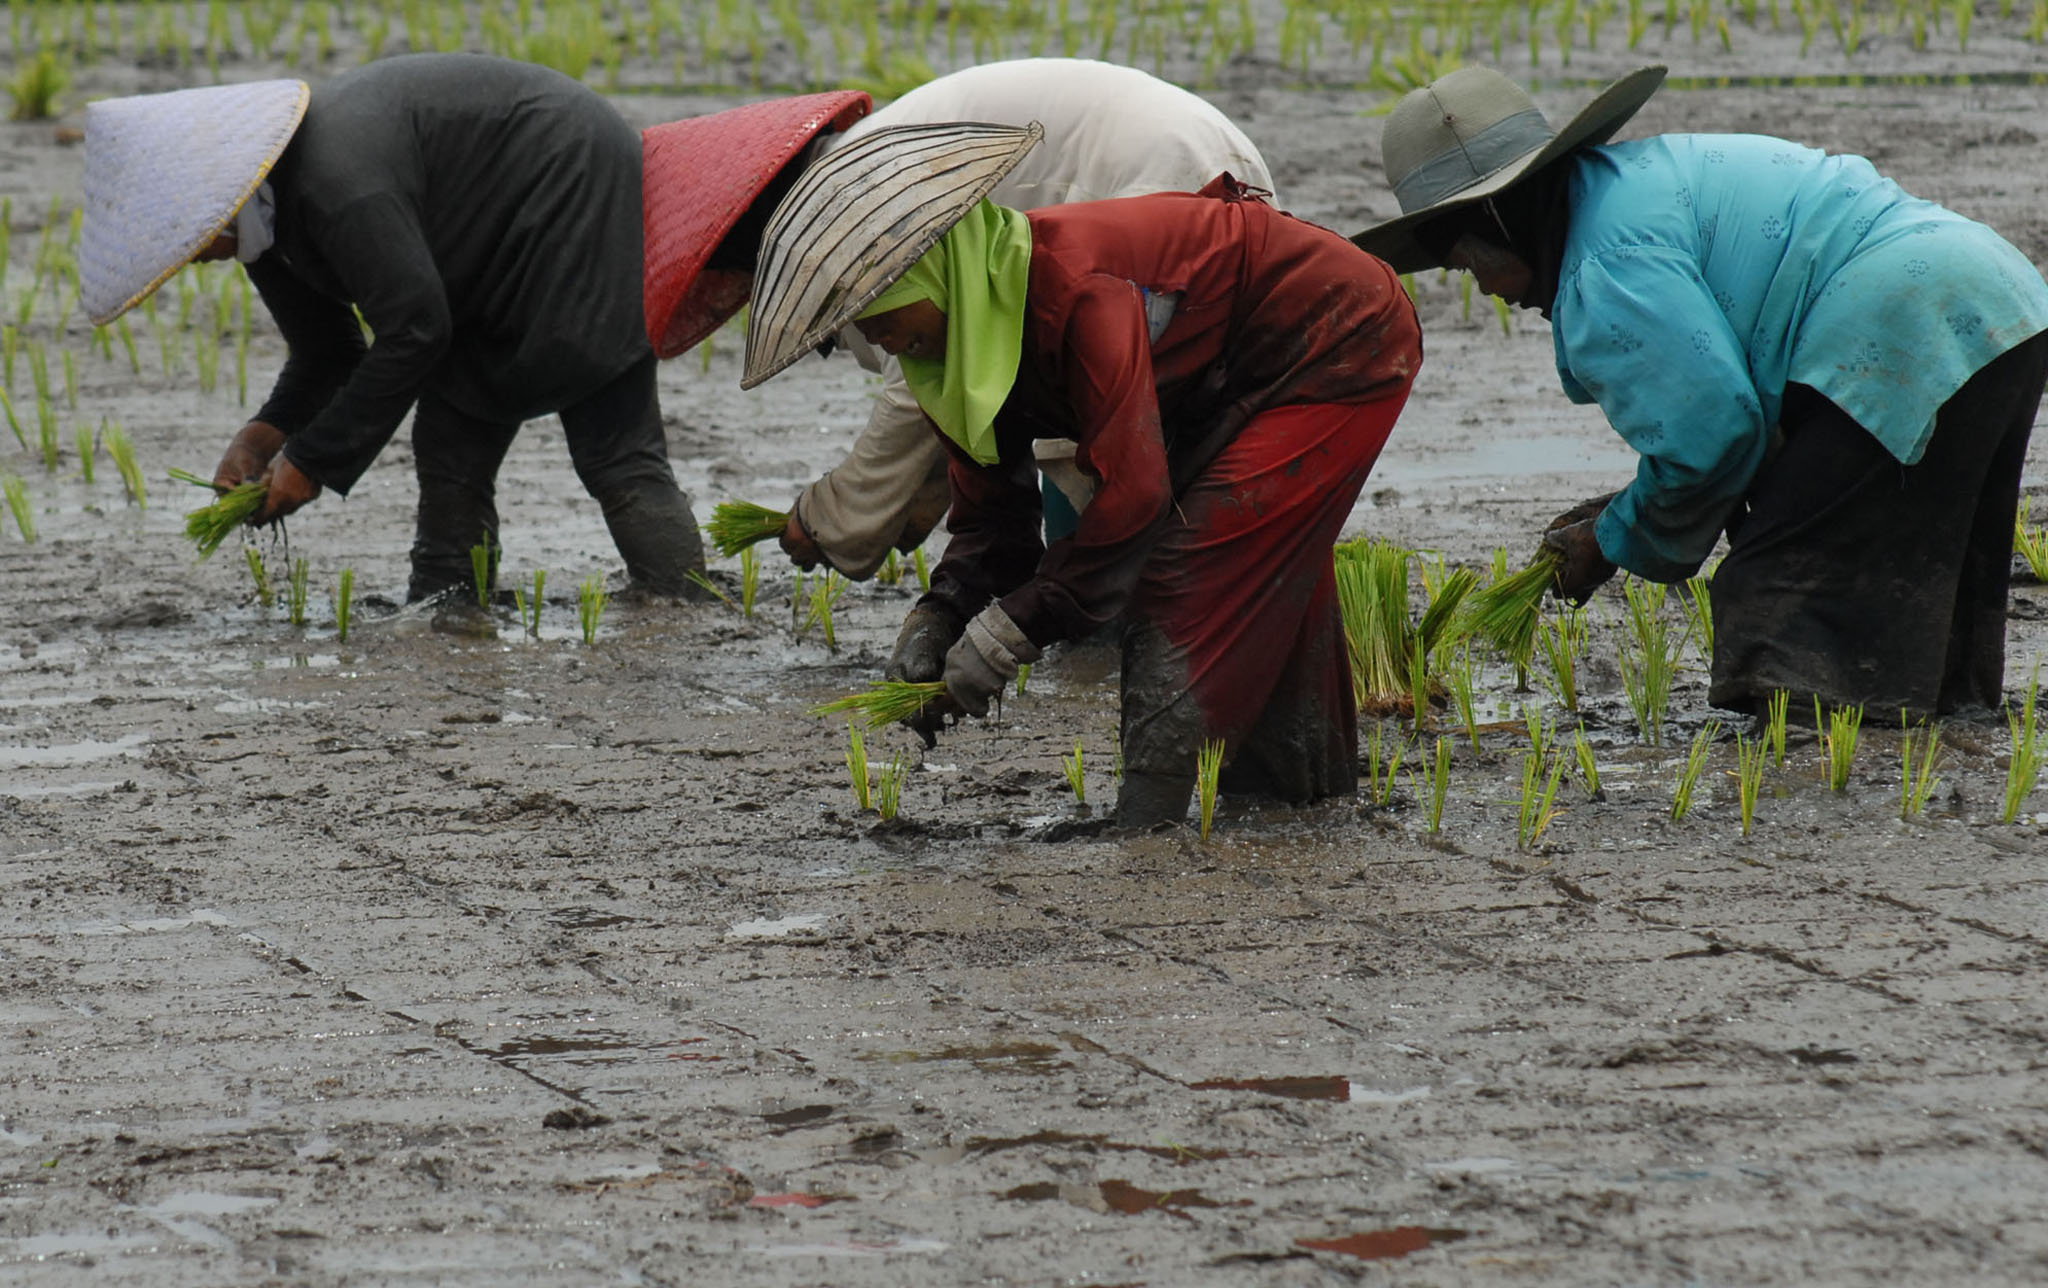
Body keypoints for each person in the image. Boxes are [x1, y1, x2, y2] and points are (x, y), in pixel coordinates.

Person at [741, 124, 1422, 827]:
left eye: (877, 313)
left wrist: (1010, 632)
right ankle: (1302, 798)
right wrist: (939, 618)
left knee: (1182, 569)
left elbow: (1133, 497)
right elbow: (994, 520)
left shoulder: (1070, 285)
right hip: (1220, 380)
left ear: (929, 271)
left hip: (1334, 337)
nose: (874, 338)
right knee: (1261, 569)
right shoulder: (947, 358)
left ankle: (1146, 818)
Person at [1355, 65, 2048, 718]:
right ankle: (1948, 711)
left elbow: (1715, 435)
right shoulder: (1629, 185)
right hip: (1997, 301)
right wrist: (1631, 504)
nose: (1489, 292)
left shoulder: (1603, 268)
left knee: (1782, 595)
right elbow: (1736, 426)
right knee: (1929, 554)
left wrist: (1611, 539)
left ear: (1499, 221)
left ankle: (1823, 757)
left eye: (1470, 265)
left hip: (1901, 318)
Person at [81, 54, 704, 603]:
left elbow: (417, 329)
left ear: (210, 207)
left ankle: (681, 609)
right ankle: (450, 606)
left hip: (573, 194)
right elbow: (329, 352)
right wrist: (262, 439)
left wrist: (313, 462)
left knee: (613, 445)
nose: (188, 258)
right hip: (480, 255)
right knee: (450, 441)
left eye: (183, 243)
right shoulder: (265, 222)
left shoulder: (335, 187)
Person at [639, 60, 1276, 581]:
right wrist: (922, 501)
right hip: (1203, 158)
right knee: (1160, 420)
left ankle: (1112, 610)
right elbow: (965, 378)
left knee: (1094, 422)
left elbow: (916, 384)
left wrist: (836, 519)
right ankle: (1144, 598)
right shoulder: (856, 163)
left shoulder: (846, 198)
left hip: (1156, 180)